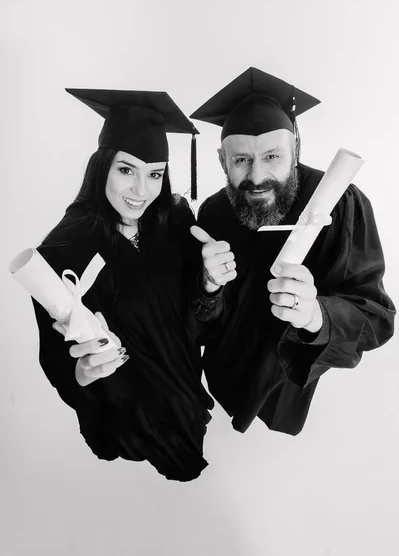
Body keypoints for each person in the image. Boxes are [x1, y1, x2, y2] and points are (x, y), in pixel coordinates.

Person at [189, 67, 395, 435]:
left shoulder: (339, 202)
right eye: (241, 160)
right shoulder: (215, 211)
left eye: (272, 156)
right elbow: (203, 322)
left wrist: (316, 315)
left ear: (296, 148)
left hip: (291, 393)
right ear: (223, 160)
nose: (256, 178)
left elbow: (377, 319)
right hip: (217, 381)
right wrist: (208, 287)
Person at [32, 88, 215, 482]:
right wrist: (82, 373)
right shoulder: (64, 250)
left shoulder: (175, 222)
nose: (141, 191)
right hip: (127, 422)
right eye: (126, 170)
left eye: (155, 174)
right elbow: (55, 356)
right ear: (102, 167)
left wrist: (210, 283)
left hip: (186, 397)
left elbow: (196, 322)